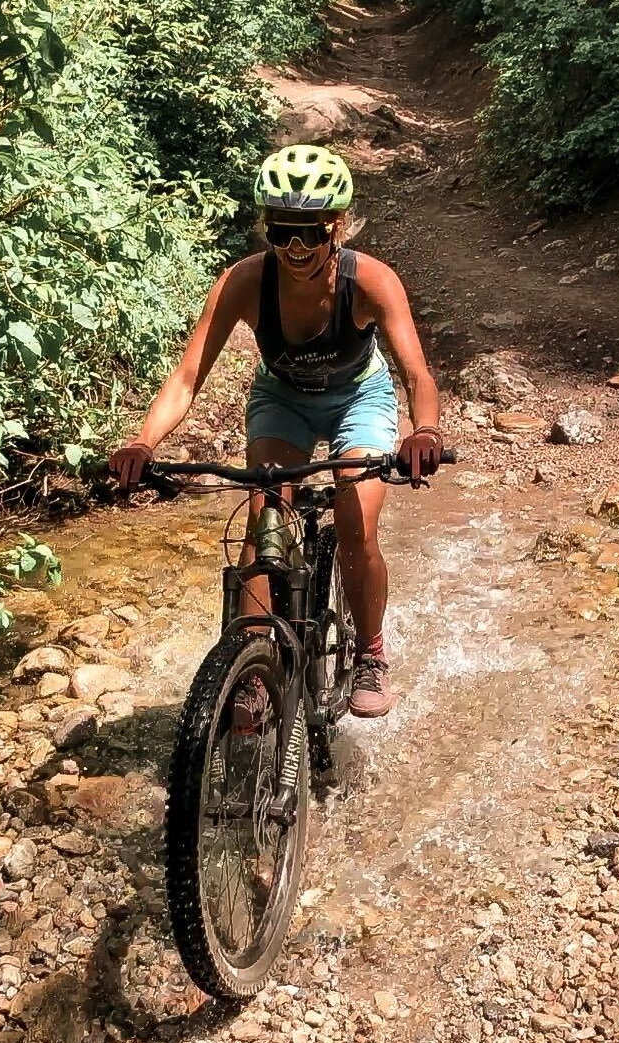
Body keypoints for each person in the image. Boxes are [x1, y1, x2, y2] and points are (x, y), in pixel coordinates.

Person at [109, 144, 443, 718]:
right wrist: (143, 443)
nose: (295, 248)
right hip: (282, 399)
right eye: (282, 231)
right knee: (265, 511)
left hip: (357, 399)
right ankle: (253, 662)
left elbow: (417, 374)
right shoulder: (243, 282)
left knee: (355, 518)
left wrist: (425, 432)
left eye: (310, 233)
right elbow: (188, 378)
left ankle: (369, 653)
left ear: (336, 226)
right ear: (266, 227)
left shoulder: (371, 282)